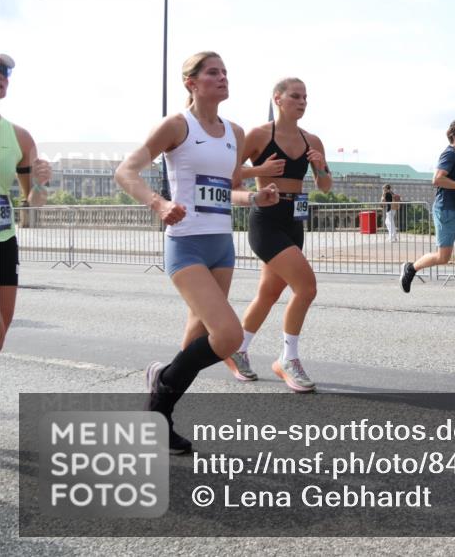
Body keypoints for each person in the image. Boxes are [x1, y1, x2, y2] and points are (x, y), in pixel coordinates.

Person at [115, 51, 279, 453]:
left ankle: (158, 417)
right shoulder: (177, 125)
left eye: (225, 71)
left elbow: (227, 188)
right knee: (228, 336)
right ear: (191, 82)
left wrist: (255, 199)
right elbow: (125, 171)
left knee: (195, 340)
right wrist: (159, 204)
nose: (222, 78)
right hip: (186, 244)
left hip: (221, 245)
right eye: (212, 72)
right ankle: (160, 386)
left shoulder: (235, 133)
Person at [225, 77, 332, 392]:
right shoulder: (258, 134)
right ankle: (288, 358)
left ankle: (238, 348)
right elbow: (227, 174)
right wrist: (259, 172)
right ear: (278, 99)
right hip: (266, 218)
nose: (302, 102)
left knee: (269, 293)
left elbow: (325, 187)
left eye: (305, 97)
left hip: (294, 219)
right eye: (295, 96)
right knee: (307, 288)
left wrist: (322, 167)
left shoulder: (312, 140)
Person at [399, 120, 455, 307]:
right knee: (443, 258)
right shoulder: (449, 154)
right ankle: (411, 268)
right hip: (446, 211)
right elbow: (437, 179)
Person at [0, 53, 52, 350]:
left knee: (1, 332)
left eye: (5, 72)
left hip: (4, 240)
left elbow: (33, 202)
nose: (2, 76)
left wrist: (42, 183)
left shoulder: (19, 137)